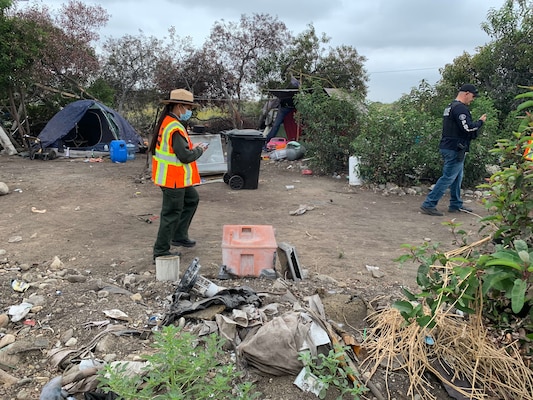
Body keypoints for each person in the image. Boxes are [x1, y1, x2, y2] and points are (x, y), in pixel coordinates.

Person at [149, 89, 208, 261]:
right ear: (180, 106)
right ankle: (160, 250)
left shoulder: (168, 122)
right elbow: (185, 156)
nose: (189, 111)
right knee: (170, 214)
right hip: (172, 179)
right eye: (188, 107)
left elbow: (177, 149)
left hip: (173, 178)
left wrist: (191, 147)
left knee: (192, 199)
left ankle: (179, 235)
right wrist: (199, 150)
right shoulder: (174, 127)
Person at [420, 84, 487, 216]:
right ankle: (429, 204)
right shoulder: (460, 109)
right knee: (448, 177)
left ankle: (456, 204)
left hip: (449, 146)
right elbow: (467, 128)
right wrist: (480, 122)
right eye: (473, 96)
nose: (472, 99)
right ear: (466, 93)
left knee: (457, 177)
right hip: (455, 148)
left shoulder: (450, 107)